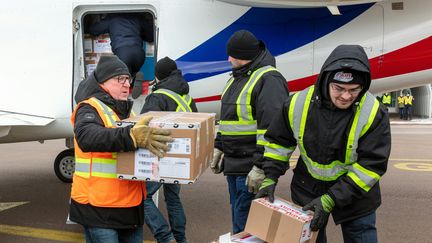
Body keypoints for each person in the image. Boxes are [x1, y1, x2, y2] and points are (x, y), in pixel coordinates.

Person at [252, 45, 391, 243]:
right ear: (326, 81)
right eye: (339, 88)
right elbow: (279, 143)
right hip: (308, 188)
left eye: (354, 90)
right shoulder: (298, 103)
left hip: (356, 195)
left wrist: (330, 199)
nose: (345, 96)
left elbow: (371, 166)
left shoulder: (373, 112)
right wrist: (270, 177)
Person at [70, 55, 173, 243]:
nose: (127, 84)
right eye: (120, 79)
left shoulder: (128, 112)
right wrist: (131, 136)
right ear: (103, 82)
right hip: (98, 207)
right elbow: (87, 137)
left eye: (128, 79)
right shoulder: (89, 108)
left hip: (130, 206)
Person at [211, 30, 290, 234]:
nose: (228, 59)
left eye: (232, 55)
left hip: (250, 168)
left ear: (245, 56)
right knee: (240, 221)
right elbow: (230, 120)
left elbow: (273, 130)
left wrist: (261, 167)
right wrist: (219, 146)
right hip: (234, 165)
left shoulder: (268, 79)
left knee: (247, 226)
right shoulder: (236, 78)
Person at [141, 57, 197, 243]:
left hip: (161, 156)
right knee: (173, 199)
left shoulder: (157, 96)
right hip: (181, 158)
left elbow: (143, 126)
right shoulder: (186, 96)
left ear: (158, 76)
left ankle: (165, 237)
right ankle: (180, 239)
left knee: (143, 197)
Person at [89, 13, 154, 97]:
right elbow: (151, 36)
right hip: (139, 53)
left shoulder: (112, 17)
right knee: (130, 74)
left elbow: (95, 30)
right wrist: (140, 34)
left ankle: (130, 86)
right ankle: (135, 80)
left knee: (121, 80)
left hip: (122, 53)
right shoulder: (138, 17)